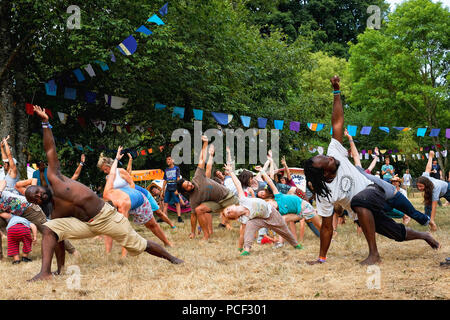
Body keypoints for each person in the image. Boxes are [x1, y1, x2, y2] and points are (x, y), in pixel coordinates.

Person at [25, 105, 183, 281]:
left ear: (41, 187)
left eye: (37, 192)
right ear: (36, 203)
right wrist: (61, 268)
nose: (38, 196)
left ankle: (173, 258)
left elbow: (50, 150)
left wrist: (46, 123)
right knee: (49, 230)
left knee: (139, 244)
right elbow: (58, 241)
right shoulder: (54, 213)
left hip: (106, 217)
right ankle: (46, 272)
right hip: (86, 225)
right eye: (35, 198)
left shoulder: (55, 178)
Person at [303, 76, 439, 266]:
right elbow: (326, 227)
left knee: (359, 200)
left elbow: (337, 122)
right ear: (324, 174)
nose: (330, 157)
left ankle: (374, 255)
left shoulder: (335, 152)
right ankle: (424, 235)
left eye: (327, 156)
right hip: (361, 211)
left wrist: (336, 92)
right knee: (394, 233)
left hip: (374, 190)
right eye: (326, 161)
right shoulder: (324, 195)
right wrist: (321, 258)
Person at [344, 128, 433, 229]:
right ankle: (391, 227)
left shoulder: (360, 171)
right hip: (382, 201)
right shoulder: (352, 183)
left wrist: (350, 138)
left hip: (394, 194)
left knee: (412, 212)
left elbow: (355, 155)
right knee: (379, 214)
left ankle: (429, 222)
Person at [102, 146, 174, 255]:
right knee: (110, 225)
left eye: (106, 169)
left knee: (152, 223)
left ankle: (167, 241)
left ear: (110, 166)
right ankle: (107, 254)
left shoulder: (121, 172)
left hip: (138, 198)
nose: (105, 172)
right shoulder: (108, 182)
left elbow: (131, 183)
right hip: (126, 200)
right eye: (103, 170)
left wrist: (123, 255)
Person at [222, 163, 302, 256]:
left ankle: (296, 245)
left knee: (284, 230)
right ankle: (246, 249)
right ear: (234, 217)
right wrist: (240, 247)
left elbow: (238, 184)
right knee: (249, 227)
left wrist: (231, 172)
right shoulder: (244, 218)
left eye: (227, 209)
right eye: (228, 214)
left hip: (271, 213)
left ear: (232, 206)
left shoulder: (242, 199)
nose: (229, 211)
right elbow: (243, 234)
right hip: (260, 220)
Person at [176, 136, 239, 240]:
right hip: (216, 203)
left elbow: (201, 160)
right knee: (198, 210)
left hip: (227, 196)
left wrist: (205, 143)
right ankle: (206, 235)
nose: (190, 185)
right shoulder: (193, 199)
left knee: (244, 211)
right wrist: (192, 232)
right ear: (185, 191)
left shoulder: (197, 177)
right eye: (187, 186)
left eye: (188, 182)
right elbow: (193, 216)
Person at [256, 166, 321, 246]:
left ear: (270, 200)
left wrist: (262, 171)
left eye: (269, 205)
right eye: (270, 208)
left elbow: (269, 181)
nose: (271, 206)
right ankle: (280, 243)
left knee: (318, 225)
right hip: (298, 213)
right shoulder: (279, 211)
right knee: (282, 220)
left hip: (305, 207)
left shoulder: (278, 196)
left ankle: (328, 237)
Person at [416, 151, 450, 231]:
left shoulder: (435, 188)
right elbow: (428, 168)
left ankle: (430, 221)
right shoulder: (424, 177)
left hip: (447, 189)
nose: (419, 188)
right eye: (418, 186)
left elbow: (434, 206)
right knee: (428, 205)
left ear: (426, 184)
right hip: (436, 189)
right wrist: (430, 156)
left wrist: (433, 221)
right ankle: (426, 221)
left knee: (431, 204)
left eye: (421, 186)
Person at [162, 156, 183, 223]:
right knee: (165, 203)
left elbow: (178, 179)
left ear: (172, 160)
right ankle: (163, 217)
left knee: (177, 203)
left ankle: (179, 218)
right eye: (166, 160)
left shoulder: (176, 168)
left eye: (169, 159)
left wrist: (178, 189)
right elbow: (165, 180)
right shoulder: (166, 170)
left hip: (174, 188)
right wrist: (162, 190)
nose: (167, 161)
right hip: (168, 188)